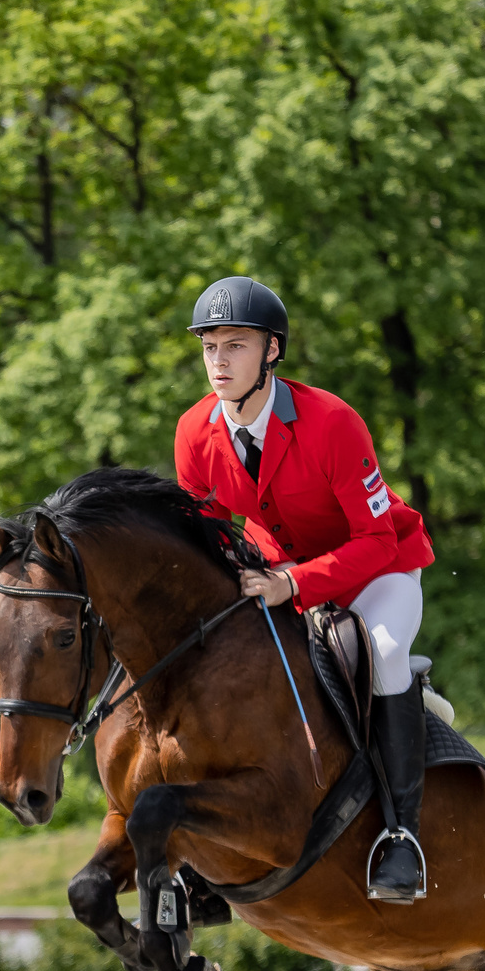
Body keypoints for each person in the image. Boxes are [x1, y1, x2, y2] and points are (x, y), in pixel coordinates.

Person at [172, 275, 437, 901]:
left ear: (272, 351)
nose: (218, 361)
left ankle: (402, 836)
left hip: (377, 572)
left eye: (235, 346)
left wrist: (291, 583)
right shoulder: (194, 433)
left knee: (383, 651)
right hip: (273, 575)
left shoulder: (332, 421)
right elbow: (207, 537)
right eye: (209, 347)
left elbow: (376, 540)